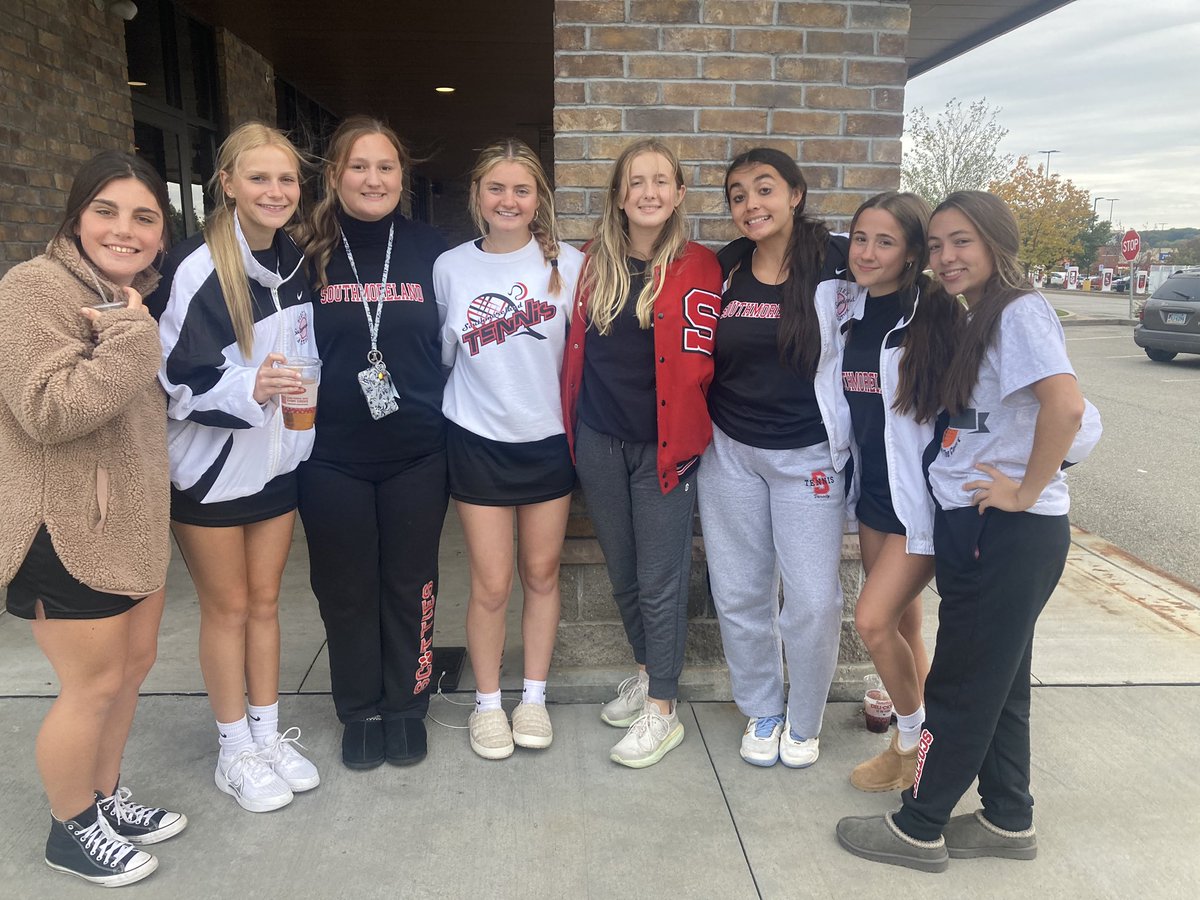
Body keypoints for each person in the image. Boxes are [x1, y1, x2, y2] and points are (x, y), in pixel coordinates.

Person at [837, 191, 1091, 872]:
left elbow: (1068, 409)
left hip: (1004, 530)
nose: (948, 258)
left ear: (997, 243)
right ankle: (1008, 820)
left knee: (959, 687)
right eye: (941, 244)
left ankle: (920, 825)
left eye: (963, 243)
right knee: (1002, 686)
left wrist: (1025, 488)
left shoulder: (1019, 310)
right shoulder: (981, 315)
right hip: (984, 528)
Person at [0, 151, 183, 886]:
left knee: (131, 672)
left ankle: (102, 799)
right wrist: (136, 339)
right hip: (66, 529)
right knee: (92, 686)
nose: (125, 229)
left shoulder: (121, 294)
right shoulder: (32, 289)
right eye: (107, 210)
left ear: (162, 234)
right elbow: (47, 410)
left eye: (144, 216)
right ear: (76, 216)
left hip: (129, 525)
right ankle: (70, 827)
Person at [151, 123, 319, 813]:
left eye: (285, 180)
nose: (274, 191)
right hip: (213, 473)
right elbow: (176, 380)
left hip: (276, 468)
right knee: (226, 610)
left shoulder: (297, 262)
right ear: (227, 184)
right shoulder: (197, 268)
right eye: (259, 178)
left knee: (266, 605)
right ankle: (233, 750)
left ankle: (268, 733)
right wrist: (251, 391)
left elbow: (304, 358)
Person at [294, 116, 449, 770]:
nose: (373, 179)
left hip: (417, 450)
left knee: (410, 582)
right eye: (359, 166)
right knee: (345, 586)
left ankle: (408, 704)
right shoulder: (302, 252)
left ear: (401, 176)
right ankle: (358, 708)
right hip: (330, 457)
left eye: (386, 167)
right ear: (334, 175)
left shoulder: (434, 249)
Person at [560, 139, 721, 768]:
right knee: (623, 572)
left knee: (660, 578)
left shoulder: (707, 266)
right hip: (599, 441)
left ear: (679, 193)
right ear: (619, 196)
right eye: (636, 182)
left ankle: (664, 709)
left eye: (661, 181)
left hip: (667, 449)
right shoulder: (586, 265)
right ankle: (645, 673)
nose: (649, 192)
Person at [697, 148, 856, 769]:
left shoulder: (840, 263)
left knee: (813, 599)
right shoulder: (725, 268)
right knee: (739, 591)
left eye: (764, 190)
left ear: (796, 193)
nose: (750, 205)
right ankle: (761, 708)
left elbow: (904, 297)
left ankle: (804, 717)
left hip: (808, 454)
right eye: (737, 195)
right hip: (730, 450)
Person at [434, 138, 584, 760]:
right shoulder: (450, 268)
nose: (508, 200)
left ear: (538, 199)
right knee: (492, 584)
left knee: (541, 574)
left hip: (547, 441)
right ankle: (489, 705)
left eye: (522, 189)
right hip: (476, 440)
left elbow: (581, 359)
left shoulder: (569, 266)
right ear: (476, 196)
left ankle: (534, 698)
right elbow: (446, 358)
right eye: (496, 188)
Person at [840, 192, 961, 791]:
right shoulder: (847, 311)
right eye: (860, 238)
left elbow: (974, 409)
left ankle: (914, 741)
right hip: (874, 496)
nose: (867, 252)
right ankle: (922, 723)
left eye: (884, 241)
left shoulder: (938, 320)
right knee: (906, 624)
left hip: (924, 501)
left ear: (912, 253)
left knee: (872, 620)